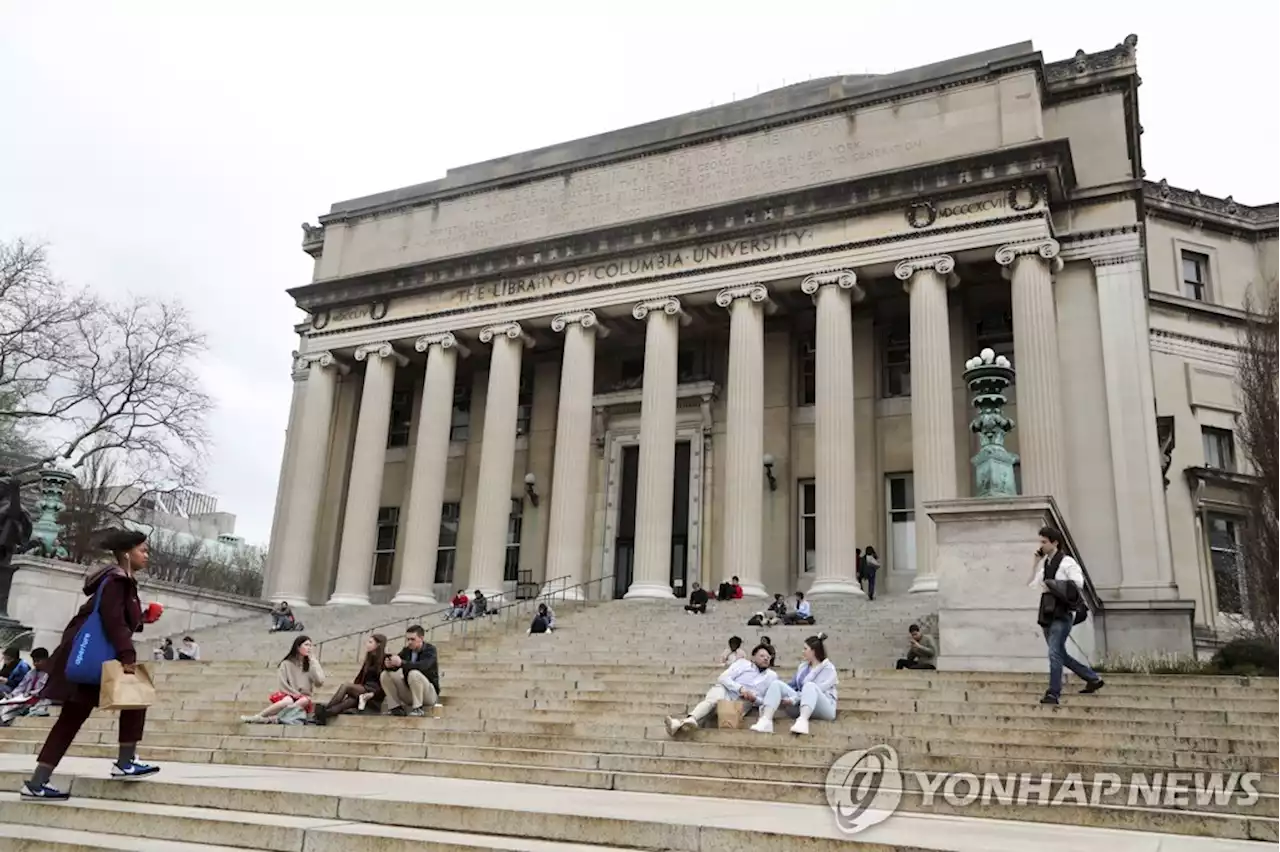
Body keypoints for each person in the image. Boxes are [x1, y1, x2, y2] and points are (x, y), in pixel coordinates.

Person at [21, 528, 162, 800]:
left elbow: (118, 618)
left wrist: (144, 617)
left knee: (71, 720)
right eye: (142, 550)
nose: (147, 555)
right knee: (134, 697)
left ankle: (37, 783)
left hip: (87, 659)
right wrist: (127, 657)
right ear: (126, 553)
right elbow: (113, 621)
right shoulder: (118, 581)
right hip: (95, 660)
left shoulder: (117, 580)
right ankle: (124, 762)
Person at [1030, 526, 1104, 704]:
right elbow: (1032, 584)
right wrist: (1035, 563)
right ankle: (1092, 678)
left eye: (1044, 541)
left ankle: (1053, 693)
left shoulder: (1066, 562)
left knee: (1054, 653)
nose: (1041, 545)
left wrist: (1053, 584)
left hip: (1062, 614)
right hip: (1047, 613)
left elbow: (1078, 582)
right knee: (1059, 654)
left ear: (1054, 542)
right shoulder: (1046, 564)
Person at [665, 643, 777, 736]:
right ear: (753, 657)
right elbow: (723, 678)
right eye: (762, 656)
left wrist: (755, 699)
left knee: (714, 711)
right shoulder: (743, 664)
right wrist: (740, 688)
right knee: (713, 701)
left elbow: (768, 701)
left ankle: (680, 723)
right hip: (726, 690)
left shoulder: (772, 676)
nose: (766, 658)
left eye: (768, 657)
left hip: (741, 703)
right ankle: (690, 719)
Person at [752, 633, 838, 735]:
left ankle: (803, 721)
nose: (803, 651)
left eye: (805, 649)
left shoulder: (828, 669)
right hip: (801, 704)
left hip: (823, 708)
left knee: (810, 686)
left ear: (814, 651)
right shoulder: (803, 667)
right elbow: (792, 686)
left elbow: (819, 689)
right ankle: (766, 720)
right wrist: (779, 696)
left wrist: (794, 699)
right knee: (776, 684)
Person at [241, 635, 326, 723]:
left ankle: (270, 719)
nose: (309, 648)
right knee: (288, 701)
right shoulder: (286, 664)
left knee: (304, 700)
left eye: (310, 646)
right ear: (298, 647)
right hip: (288, 694)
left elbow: (319, 682)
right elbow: (283, 684)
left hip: (304, 698)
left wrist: (313, 661)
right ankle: (259, 716)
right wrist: (295, 694)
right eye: (306, 645)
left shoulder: (311, 665)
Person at [315, 633, 386, 725]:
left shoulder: (384, 660)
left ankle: (324, 710)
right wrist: (354, 690)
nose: (367, 644)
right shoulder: (369, 659)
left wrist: (371, 693)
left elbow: (384, 684)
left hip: (373, 693)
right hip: (363, 690)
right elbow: (359, 678)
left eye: (370, 642)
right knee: (350, 700)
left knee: (346, 686)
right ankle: (325, 714)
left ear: (378, 644)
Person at [381, 625, 440, 717]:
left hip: (429, 694)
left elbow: (423, 666)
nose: (409, 642)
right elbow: (397, 665)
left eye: (412, 639)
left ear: (421, 638)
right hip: (411, 692)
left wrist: (401, 663)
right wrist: (389, 664)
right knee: (385, 675)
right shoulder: (406, 651)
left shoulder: (430, 650)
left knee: (414, 673)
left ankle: (418, 709)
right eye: (407, 639)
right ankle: (395, 707)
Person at [0, 648, 49, 726]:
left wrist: (30, 693)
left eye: (38, 661)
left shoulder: (49, 674)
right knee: (5, 709)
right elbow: (21, 686)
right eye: (34, 661)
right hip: (24, 698)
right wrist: (12, 695)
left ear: (46, 660)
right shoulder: (31, 673)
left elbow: (43, 689)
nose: (35, 664)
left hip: (38, 699)